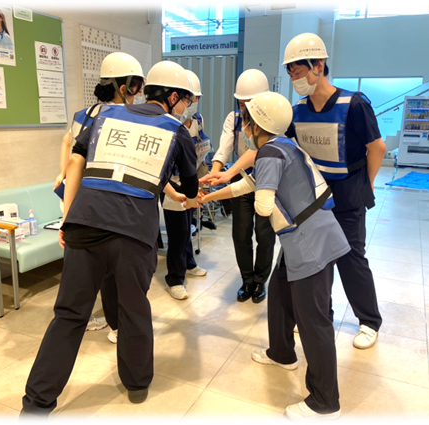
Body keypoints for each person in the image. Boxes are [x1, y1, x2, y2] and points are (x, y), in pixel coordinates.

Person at [18, 59, 199, 424]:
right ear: (173, 97)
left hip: (85, 223)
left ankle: (36, 406)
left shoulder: (104, 116)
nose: (187, 107)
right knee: (133, 309)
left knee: (69, 315)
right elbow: (190, 187)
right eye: (187, 100)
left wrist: (68, 219)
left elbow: (76, 164)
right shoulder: (177, 131)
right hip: (134, 232)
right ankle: (136, 384)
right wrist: (183, 190)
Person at [199, 91, 350, 424]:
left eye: (246, 119)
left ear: (256, 125)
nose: (244, 126)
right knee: (280, 294)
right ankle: (281, 353)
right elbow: (247, 185)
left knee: (314, 322)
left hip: (310, 244)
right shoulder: (284, 146)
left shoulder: (269, 152)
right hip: (306, 239)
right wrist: (207, 197)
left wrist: (258, 199)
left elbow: (263, 204)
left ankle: (325, 401)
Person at [283, 33, 385, 349]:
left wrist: (367, 183)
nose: (294, 78)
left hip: (349, 194)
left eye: (298, 70)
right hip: (314, 198)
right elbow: (281, 146)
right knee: (316, 260)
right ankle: (320, 314)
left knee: (351, 258)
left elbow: (377, 147)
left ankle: (369, 321)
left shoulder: (353, 104)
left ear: (319, 65)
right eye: (290, 73)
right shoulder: (297, 111)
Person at [54, 52, 147, 342]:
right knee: (110, 269)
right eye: (137, 86)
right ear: (124, 86)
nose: (139, 93)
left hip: (74, 197)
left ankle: (85, 317)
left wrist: (62, 175)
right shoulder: (125, 117)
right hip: (102, 200)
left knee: (80, 267)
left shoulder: (83, 114)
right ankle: (116, 325)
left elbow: (68, 143)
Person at [202, 69, 275, 304]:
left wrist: (226, 174)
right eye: (242, 103)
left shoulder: (274, 119)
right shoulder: (233, 119)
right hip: (239, 178)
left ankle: (261, 280)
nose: (245, 108)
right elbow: (224, 149)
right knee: (241, 233)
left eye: (250, 103)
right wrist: (214, 174)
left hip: (266, 181)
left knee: (264, 234)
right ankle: (247, 280)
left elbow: (258, 152)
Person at [160, 69, 208, 300]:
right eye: (191, 98)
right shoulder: (167, 123)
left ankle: (189, 263)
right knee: (177, 233)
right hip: (171, 184)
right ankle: (174, 279)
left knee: (188, 226)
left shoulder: (197, 120)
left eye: (196, 98)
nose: (193, 102)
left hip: (190, 179)